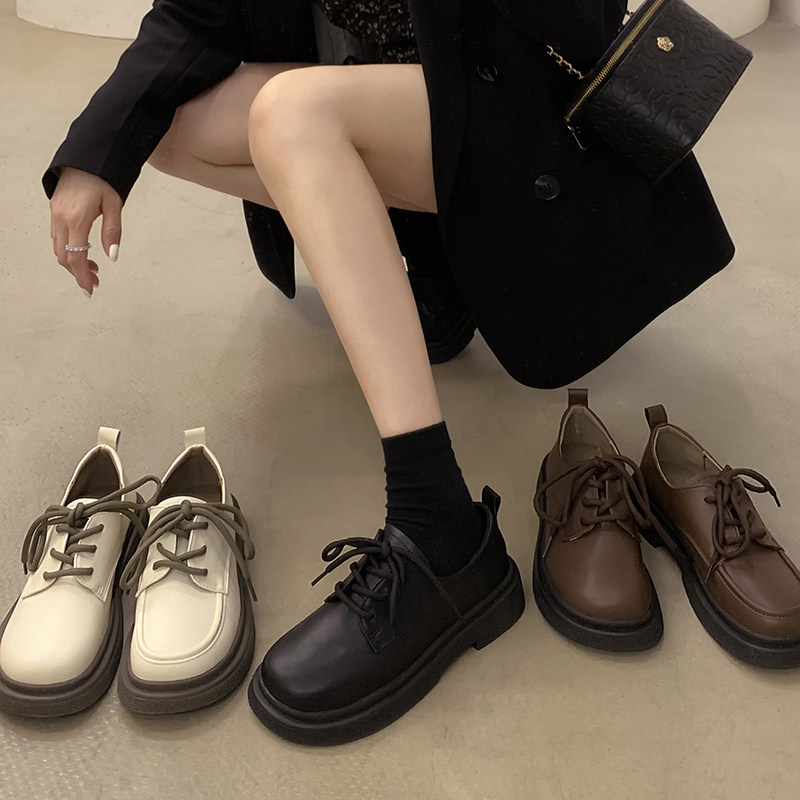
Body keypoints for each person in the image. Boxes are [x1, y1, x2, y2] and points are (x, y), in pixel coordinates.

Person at [42, 0, 734, 744]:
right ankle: (427, 268)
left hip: (534, 110)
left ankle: (440, 527)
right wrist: (94, 154)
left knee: (292, 114)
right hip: (401, 108)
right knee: (165, 121)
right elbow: (197, 13)